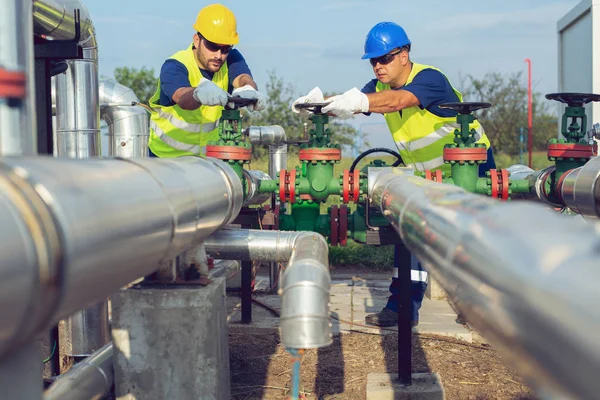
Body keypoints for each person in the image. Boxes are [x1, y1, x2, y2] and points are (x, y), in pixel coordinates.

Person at [292, 22, 496, 327]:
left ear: (404, 54)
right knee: (410, 231)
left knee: (472, 240)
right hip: (427, 176)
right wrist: (321, 105)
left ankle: (482, 304)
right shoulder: (378, 88)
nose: (377, 66)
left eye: (384, 59)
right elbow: (356, 104)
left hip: (471, 168)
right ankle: (402, 307)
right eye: (373, 61)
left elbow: (399, 101)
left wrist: (358, 102)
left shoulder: (428, 78)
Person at [148, 4, 266, 158]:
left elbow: (243, 78)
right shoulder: (175, 65)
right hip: (166, 162)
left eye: (225, 49)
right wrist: (197, 94)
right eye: (212, 46)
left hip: (207, 165)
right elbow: (182, 97)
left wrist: (249, 89)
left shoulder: (231, 58)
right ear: (197, 40)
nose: (219, 55)